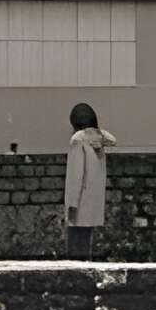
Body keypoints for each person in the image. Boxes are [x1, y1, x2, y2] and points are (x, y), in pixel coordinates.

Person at [63, 101, 115, 258]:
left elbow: (76, 175)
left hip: (79, 203)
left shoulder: (77, 140)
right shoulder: (99, 140)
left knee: (75, 246)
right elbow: (112, 138)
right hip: (94, 203)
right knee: (87, 242)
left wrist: (71, 204)